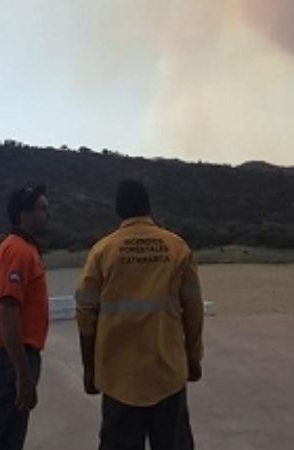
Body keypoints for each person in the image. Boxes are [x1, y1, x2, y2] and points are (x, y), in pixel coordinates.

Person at [76, 179, 204, 450]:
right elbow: (193, 310)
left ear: (118, 210)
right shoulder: (177, 248)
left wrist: (90, 368)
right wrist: (193, 358)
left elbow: (86, 316)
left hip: (118, 377)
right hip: (167, 373)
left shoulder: (102, 251)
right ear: (148, 207)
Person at [0, 185, 51, 450]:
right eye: (42, 209)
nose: (48, 214)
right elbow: (7, 311)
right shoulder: (18, 251)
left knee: (8, 439)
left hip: (8, 359)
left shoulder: (22, 249)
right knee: (4, 441)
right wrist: (22, 373)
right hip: (7, 361)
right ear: (24, 214)